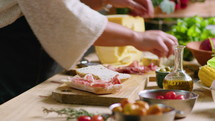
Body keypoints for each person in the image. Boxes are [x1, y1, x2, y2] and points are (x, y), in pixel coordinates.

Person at [0, 0, 177, 104]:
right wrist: (136, 38)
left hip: (34, 58)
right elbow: (68, 17)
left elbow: (73, 5)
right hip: (9, 57)